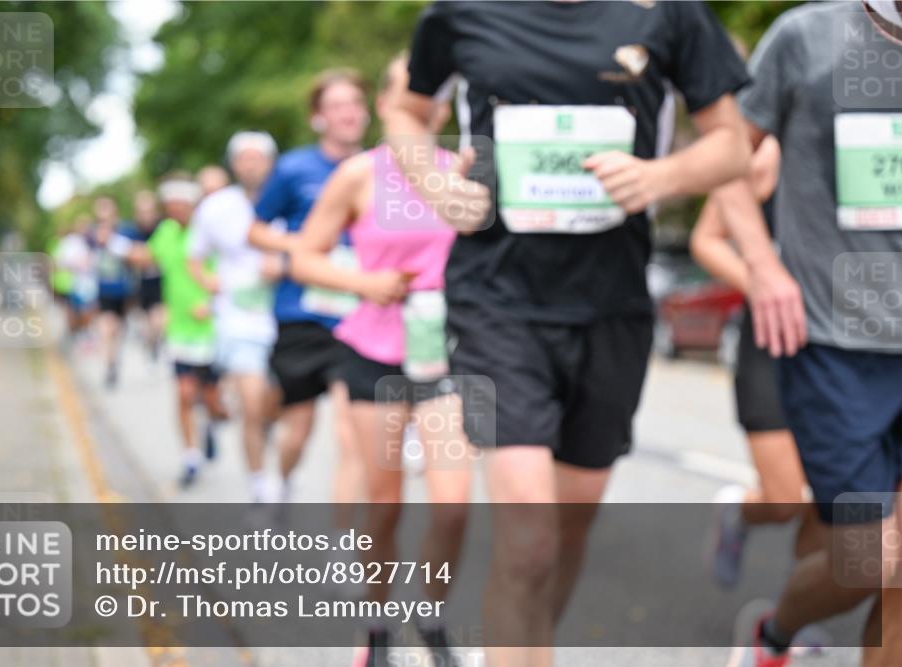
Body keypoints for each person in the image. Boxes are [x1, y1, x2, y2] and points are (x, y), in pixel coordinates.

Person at [384, 2, 780, 664]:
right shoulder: (461, 12)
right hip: (496, 302)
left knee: (566, 534)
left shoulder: (669, 14)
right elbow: (406, 109)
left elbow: (733, 143)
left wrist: (659, 176)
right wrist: (433, 183)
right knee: (529, 536)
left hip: (610, 305)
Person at [708, 2, 902, 665]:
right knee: (871, 557)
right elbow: (724, 155)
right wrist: (762, 268)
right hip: (832, 343)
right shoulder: (807, 37)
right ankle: (775, 635)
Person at [292, 55, 473, 667]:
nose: (427, 103)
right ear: (387, 105)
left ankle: (431, 617)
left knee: (454, 506)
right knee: (385, 504)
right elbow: (305, 258)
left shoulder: (461, 170)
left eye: (436, 94)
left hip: (449, 353)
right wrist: (364, 284)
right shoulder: (358, 175)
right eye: (412, 91)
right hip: (374, 352)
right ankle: (375, 627)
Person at [692, 137, 825, 585]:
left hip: (846, 350)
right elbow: (705, 239)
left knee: (835, 501)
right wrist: (767, 287)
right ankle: (739, 513)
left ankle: (794, 612)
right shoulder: (765, 150)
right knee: (786, 498)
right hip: (773, 342)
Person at [246, 68, 369, 509]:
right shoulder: (294, 168)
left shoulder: (380, 167)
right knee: (298, 430)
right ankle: (281, 482)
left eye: (355, 103)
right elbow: (255, 230)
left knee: (351, 434)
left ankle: (344, 538)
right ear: (318, 116)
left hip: (358, 313)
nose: (348, 113)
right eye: (337, 105)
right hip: (302, 313)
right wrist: (301, 248)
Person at [188, 132, 282, 504]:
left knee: (274, 405)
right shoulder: (216, 207)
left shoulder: (289, 197)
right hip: (239, 320)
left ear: (270, 162)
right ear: (234, 164)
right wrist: (208, 282)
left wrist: (285, 264)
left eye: (258, 157)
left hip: (285, 316)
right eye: (244, 158)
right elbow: (194, 257)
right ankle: (259, 482)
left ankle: (264, 442)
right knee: (252, 402)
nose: (251, 164)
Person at [126, 174, 228, 488]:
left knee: (213, 400)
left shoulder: (210, 230)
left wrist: (211, 303)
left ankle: (209, 425)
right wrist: (118, 247)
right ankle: (190, 458)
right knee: (184, 393)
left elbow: (230, 271)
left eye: (181, 205)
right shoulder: (166, 232)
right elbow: (147, 257)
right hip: (180, 328)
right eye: (170, 206)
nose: (175, 211)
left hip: (211, 328)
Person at [91, 196, 136, 388]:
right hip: (103, 290)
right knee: (106, 327)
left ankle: (114, 358)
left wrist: (115, 243)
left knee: (118, 329)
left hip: (124, 289)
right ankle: (110, 365)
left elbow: (135, 255)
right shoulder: (92, 234)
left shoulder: (126, 231)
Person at [132, 189, 166, 361]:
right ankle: (151, 345)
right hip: (142, 284)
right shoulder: (133, 231)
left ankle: (155, 344)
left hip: (162, 283)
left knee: (159, 321)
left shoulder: (164, 228)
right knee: (148, 324)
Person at [53, 214, 98, 343]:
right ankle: (73, 335)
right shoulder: (71, 242)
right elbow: (59, 260)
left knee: (87, 311)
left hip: (89, 285)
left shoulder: (94, 240)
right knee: (73, 312)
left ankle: (83, 334)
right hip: (72, 284)